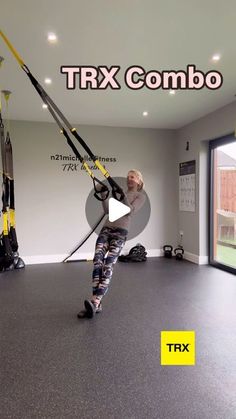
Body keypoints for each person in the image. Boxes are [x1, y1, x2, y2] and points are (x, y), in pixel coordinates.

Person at [77, 170, 146, 319]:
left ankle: (95, 301)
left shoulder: (140, 196)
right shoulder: (118, 194)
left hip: (120, 233)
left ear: (139, 181)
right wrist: (103, 194)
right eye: (128, 177)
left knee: (108, 265)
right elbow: (108, 210)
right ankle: (96, 303)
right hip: (106, 229)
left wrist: (121, 195)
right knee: (97, 262)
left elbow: (130, 211)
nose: (129, 179)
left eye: (132, 177)